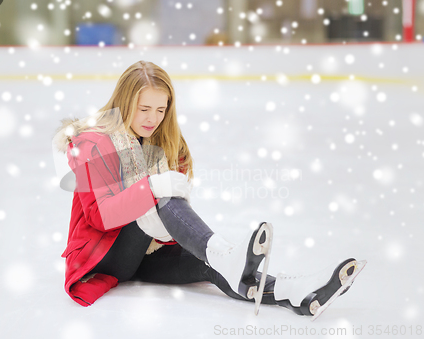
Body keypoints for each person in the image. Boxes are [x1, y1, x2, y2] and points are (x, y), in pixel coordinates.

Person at [52, 60, 365, 318]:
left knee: (214, 268)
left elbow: (174, 210)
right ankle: (226, 256)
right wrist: (152, 187)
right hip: (104, 256)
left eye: (161, 110)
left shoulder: (167, 143)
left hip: (150, 253)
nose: (153, 119)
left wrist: (162, 218)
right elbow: (99, 216)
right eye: (144, 108)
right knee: (165, 199)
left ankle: (292, 292)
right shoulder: (93, 142)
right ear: (125, 101)